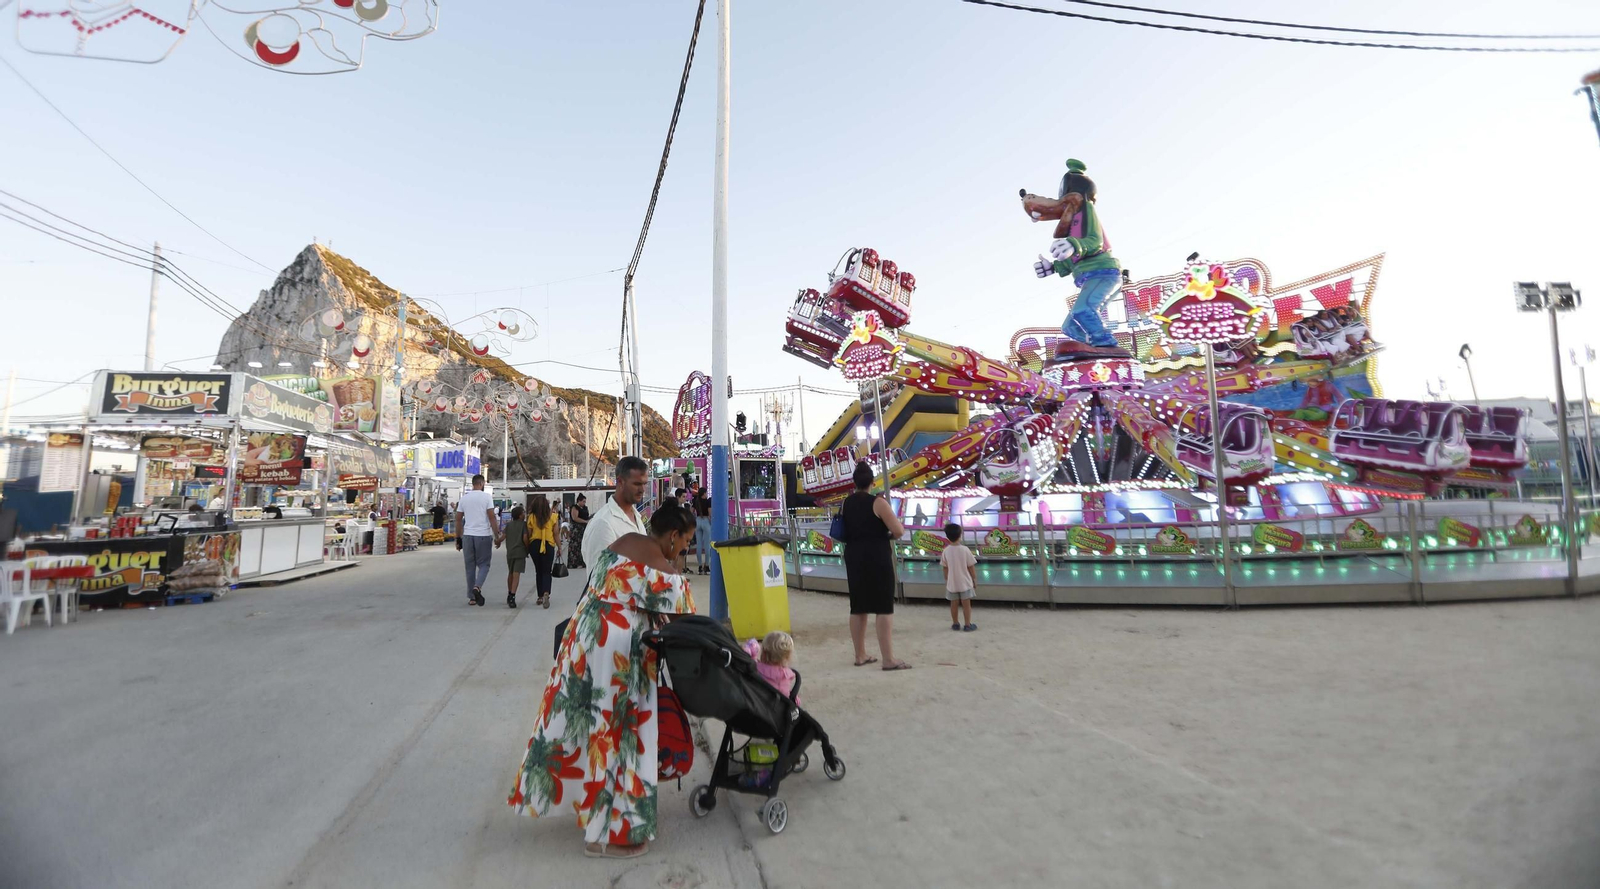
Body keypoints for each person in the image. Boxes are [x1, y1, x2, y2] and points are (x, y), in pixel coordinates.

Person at [507, 498, 698, 860]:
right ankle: (606, 837)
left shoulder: (621, 543)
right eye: (686, 541)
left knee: (585, 727)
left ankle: (587, 807)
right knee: (618, 737)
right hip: (618, 655)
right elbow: (686, 624)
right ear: (673, 536)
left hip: (583, 639)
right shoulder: (665, 572)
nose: (686, 549)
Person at [1027, 158, 1129, 362]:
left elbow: (1095, 241)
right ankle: (1091, 347)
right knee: (1069, 326)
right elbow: (1072, 260)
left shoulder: (1086, 211)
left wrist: (1075, 245)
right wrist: (1053, 267)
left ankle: (1105, 344)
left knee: (1083, 310)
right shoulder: (1072, 226)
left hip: (1104, 273)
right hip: (1090, 278)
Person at [838, 460, 909, 670]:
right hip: (876, 557)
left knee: (858, 606)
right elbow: (898, 531)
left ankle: (859, 655)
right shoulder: (878, 503)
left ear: (854, 482)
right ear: (872, 481)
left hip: (854, 556)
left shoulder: (846, 503)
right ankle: (888, 659)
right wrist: (886, 534)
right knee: (883, 607)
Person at [581, 456, 649, 571]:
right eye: (637, 484)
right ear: (620, 482)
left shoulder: (636, 516)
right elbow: (599, 580)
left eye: (644, 484)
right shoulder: (604, 523)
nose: (642, 489)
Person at [455, 474, 500, 607]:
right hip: (483, 536)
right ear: (482, 484)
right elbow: (492, 517)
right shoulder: (486, 497)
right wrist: (497, 535)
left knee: (470, 567)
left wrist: (458, 538)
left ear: (473, 484)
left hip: (468, 536)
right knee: (484, 565)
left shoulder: (464, 498)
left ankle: (472, 598)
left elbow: (458, 519)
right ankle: (477, 587)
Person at [939, 522, 978, 632]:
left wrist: (947, 579)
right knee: (966, 605)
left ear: (947, 537)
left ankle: (955, 623)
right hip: (965, 582)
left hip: (952, 583)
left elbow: (945, 567)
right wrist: (974, 579)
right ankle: (967, 625)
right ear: (960, 535)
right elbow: (971, 566)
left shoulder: (946, 551)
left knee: (953, 604)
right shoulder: (965, 550)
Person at [743, 630, 800, 704]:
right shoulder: (786, 676)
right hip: (778, 709)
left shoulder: (755, 668)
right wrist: (796, 700)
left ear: (763, 652)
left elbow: (753, 665)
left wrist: (752, 655)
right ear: (788, 656)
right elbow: (784, 693)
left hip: (758, 705)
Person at [526, 493, 559, 609]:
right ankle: (546, 592)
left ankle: (539, 596)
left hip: (534, 545)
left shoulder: (531, 517)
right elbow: (556, 534)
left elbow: (529, 534)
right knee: (547, 571)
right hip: (548, 545)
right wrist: (559, 547)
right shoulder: (553, 517)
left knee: (538, 570)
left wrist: (527, 547)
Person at [501, 505, 527, 609]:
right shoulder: (523, 525)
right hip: (520, 552)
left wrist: (497, 542)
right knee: (517, 574)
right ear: (520, 515)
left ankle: (509, 592)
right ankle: (512, 596)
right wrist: (527, 548)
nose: (525, 514)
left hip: (510, 553)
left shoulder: (509, 525)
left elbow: (503, 536)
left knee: (510, 573)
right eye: (523, 512)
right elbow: (525, 538)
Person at [691, 485, 712, 575]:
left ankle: (700, 566)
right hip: (706, 521)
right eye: (706, 492)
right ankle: (707, 566)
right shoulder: (708, 501)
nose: (707, 494)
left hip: (698, 521)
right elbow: (710, 513)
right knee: (707, 545)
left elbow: (691, 511)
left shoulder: (696, 501)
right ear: (704, 494)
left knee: (699, 544)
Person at [568, 495, 590, 569]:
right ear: (579, 501)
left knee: (583, 544)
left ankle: (582, 562)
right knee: (575, 546)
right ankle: (574, 563)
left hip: (584, 528)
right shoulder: (575, 508)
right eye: (583, 501)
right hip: (576, 529)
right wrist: (585, 521)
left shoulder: (585, 508)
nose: (584, 503)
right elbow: (575, 518)